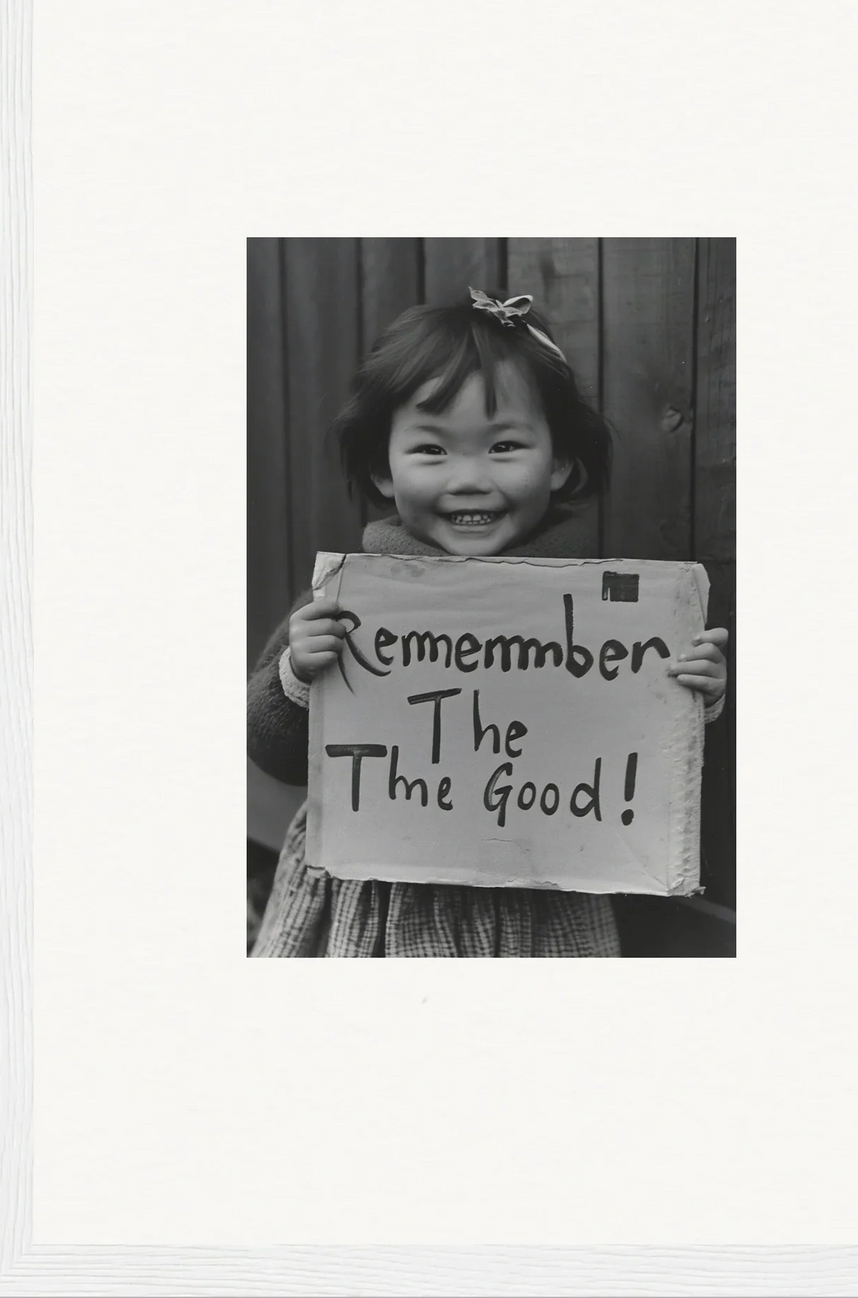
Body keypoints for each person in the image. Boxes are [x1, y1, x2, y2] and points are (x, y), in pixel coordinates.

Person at [247, 288, 728, 957]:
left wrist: (687, 694)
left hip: (542, 899)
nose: (469, 478)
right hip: (379, 897)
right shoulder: (344, 604)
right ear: (383, 470)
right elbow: (270, 750)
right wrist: (297, 673)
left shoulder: (605, 621)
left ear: (558, 461)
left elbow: (634, 752)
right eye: (432, 451)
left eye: (503, 445)